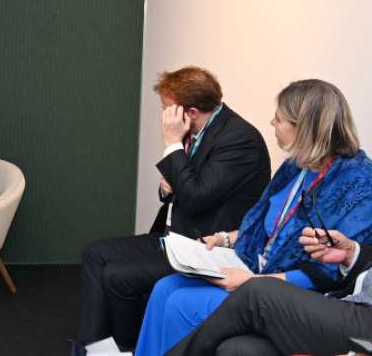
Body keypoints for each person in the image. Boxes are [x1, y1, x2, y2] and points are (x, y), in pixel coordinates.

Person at [132, 78, 372, 356]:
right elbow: (268, 226)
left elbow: (329, 272)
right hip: (254, 270)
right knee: (165, 288)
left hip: (293, 293)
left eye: (279, 118)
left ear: (303, 128)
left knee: (180, 303)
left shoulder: (358, 183)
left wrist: (251, 282)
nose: (272, 123)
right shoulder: (296, 167)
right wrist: (226, 239)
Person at [74, 67, 270, 353]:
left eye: (167, 108)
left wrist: (171, 144)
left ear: (190, 112)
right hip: (175, 236)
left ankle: (129, 348)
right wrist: (167, 188)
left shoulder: (239, 140)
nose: (164, 115)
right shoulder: (198, 130)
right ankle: (93, 346)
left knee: (117, 277)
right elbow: (183, 186)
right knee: (94, 253)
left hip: (205, 247)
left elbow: (196, 198)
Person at [166, 226, 372, 355]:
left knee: (257, 292)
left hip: (364, 323)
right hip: (351, 305)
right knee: (237, 349)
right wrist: (351, 253)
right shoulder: (289, 176)